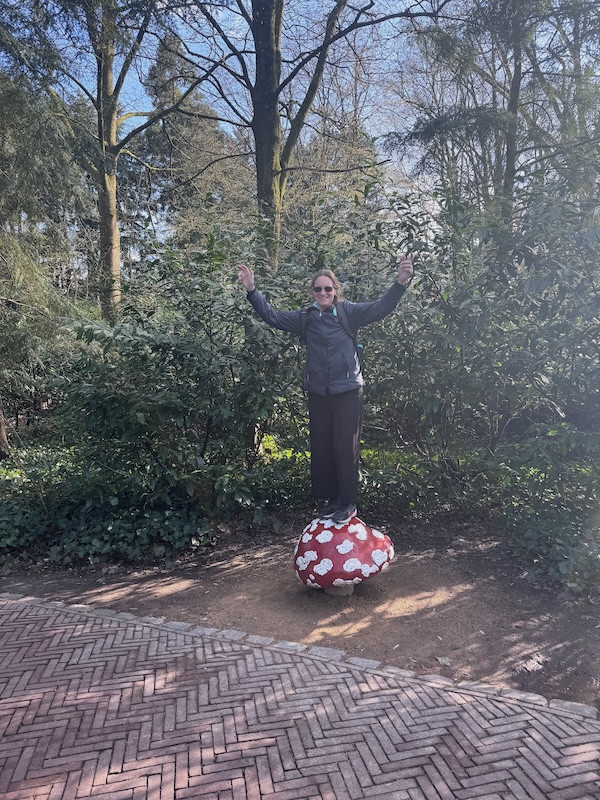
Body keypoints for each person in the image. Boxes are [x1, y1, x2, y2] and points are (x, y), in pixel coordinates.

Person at [237, 255, 414, 524]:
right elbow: (272, 316)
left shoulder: (348, 312)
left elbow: (381, 308)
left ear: (335, 290)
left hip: (348, 390)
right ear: (312, 292)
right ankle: (333, 500)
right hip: (318, 392)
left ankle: (348, 502)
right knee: (323, 447)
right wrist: (252, 290)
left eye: (328, 288)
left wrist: (400, 282)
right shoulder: (304, 318)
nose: (323, 293)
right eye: (318, 289)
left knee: (345, 447)